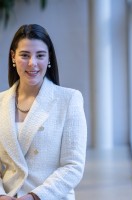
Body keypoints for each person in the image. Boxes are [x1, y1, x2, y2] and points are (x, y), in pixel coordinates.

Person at [0, 24, 87, 200]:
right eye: (24, 55)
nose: (32, 63)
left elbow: (73, 166)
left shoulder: (69, 99)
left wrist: (34, 196)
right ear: (13, 57)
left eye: (40, 55)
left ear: (49, 59)